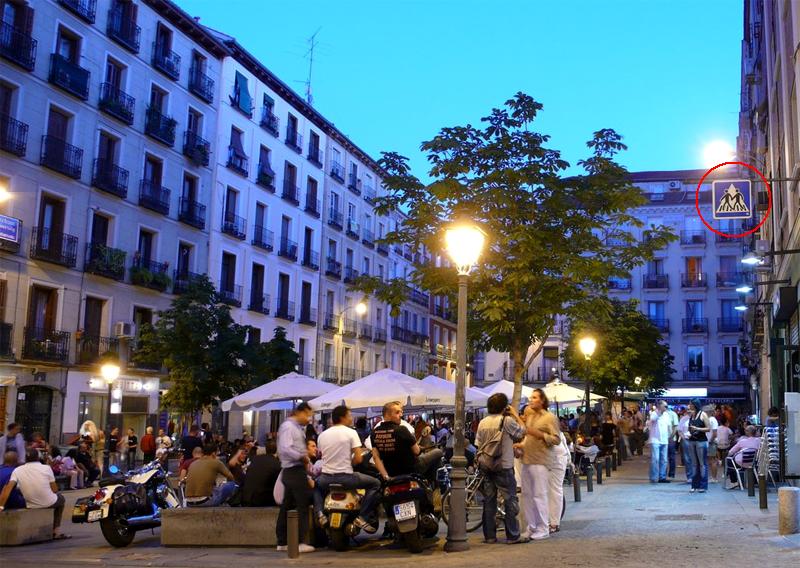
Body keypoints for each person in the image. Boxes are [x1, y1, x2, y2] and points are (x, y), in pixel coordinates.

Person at [313, 405, 381, 534]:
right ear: (343, 417)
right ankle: (362, 517)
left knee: (316, 485)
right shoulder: (351, 432)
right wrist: (350, 463)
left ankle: (320, 513)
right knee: (375, 484)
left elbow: (323, 455)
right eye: (349, 415)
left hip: (326, 479)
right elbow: (359, 459)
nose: (351, 418)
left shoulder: (322, 435)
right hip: (347, 478)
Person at [475, 393, 526, 544]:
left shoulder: (483, 422)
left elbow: (478, 444)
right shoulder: (507, 420)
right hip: (503, 465)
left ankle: (489, 536)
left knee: (489, 501)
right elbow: (523, 431)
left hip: (486, 465)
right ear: (505, 406)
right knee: (510, 499)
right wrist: (516, 415)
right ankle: (513, 535)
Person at [515, 388, 559, 541]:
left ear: (541, 400)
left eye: (534, 397)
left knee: (539, 495)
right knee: (527, 495)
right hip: (527, 459)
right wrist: (521, 446)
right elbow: (527, 435)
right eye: (530, 397)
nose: (530, 400)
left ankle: (543, 528)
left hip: (541, 460)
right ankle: (531, 527)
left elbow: (556, 439)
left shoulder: (550, 418)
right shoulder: (530, 417)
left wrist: (540, 435)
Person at [0, 447, 68, 539]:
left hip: (30, 504)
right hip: (48, 502)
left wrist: (1, 506)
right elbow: (54, 490)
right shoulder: (46, 468)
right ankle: (56, 531)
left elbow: (7, 489)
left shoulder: (17, 470)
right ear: (38, 457)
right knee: (61, 500)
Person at [370, 401, 444, 484]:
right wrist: (420, 448)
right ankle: (436, 484)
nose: (401, 415)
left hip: (391, 472)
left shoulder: (374, 432)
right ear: (387, 414)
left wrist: (386, 477)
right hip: (412, 469)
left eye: (401, 412)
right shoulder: (402, 429)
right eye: (397, 412)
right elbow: (416, 452)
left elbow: (376, 457)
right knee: (438, 452)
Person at [276, 402, 316, 553]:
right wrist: (302, 457)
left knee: (287, 505)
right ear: (300, 412)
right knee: (302, 504)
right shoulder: (289, 427)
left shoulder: (295, 427)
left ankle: (282, 541)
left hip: (293, 470)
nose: (308, 419)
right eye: (307, 415)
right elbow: (285, 448)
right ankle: (300, 541)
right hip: (293, 469)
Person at [242, 439, 281, 507]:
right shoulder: (276, 464)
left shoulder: (255, 459)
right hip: (261, 501)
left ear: (266, 449)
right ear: (277, 450)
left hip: (245, 498)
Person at [686, 399, 712, 493]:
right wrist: (689, 432)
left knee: (702, 464)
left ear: (695, 405)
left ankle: (703, 485)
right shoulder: (691, 415)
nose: (689, 406)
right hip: (692, 441)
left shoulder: (703, 414)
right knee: (694, 464)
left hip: (701, 441)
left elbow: (708, 428)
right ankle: (694, 485)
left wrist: (697, 428)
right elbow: (690, 427)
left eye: (691, 404)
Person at [647, 400, 672, 483]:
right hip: (655, 440)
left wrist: (670, 435)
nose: (666, 408)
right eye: (665, 406)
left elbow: (669, 426)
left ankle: (662, 477)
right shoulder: (654, 413)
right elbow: (652, 420)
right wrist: (659, 413)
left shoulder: (667, 415)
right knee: (655, 459)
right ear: (660, 406)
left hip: (664, 440)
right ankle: (653, 477)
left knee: (664, 460)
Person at [677, 408, 693, 484]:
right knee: (687, 459)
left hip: (696, 440)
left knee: (696, 458)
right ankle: (690, 476)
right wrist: (684, 438)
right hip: (686, 440)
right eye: (688, 410)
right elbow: (679, 430)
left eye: (691, 410)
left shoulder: (697, 418)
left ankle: (697, 476)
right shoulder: (684, 419)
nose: (690, 411)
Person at [715, 416, 733, 481]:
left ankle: (719, 459)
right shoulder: (728, 429)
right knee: (728, 447)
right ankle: (724, 470)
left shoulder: (717, 428)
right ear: (726, 422)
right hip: (726, 446)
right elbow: (731, 436)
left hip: (718, 446)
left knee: (717, 446)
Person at [705, 407, 719, 483]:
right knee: (710, 460)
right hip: (710, 442)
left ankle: (714, 478)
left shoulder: (712, 420)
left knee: (712, 461)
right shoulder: (711, 420)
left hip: (711, 442)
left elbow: (714, 433)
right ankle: (712, 477)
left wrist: (710, 441)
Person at [665, 404, 680, 479]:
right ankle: (664, 473)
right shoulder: (662, 414)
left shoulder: (673, 414)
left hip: (671, 439)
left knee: (671, 457)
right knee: (665, 457)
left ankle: (671, 473)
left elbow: (675, 427)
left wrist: (671, 437)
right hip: (663, 439)